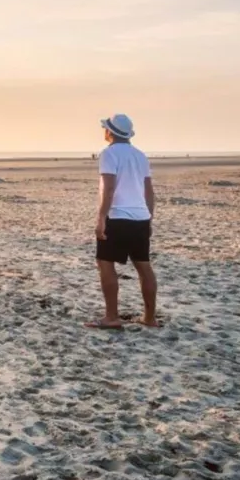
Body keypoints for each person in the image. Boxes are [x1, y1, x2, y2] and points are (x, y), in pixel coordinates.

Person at [87, 113, 159, 329]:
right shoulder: (140, 155)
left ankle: (111, 317)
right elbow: (149, 191)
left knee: (105, 263)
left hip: (117, 216)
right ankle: (149, 318)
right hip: (140, 217)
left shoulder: (109, 154)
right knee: (144, 267)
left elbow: (108, 188)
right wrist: (149, 219)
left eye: (105, 128)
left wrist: (101, 218)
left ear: (110, 132)